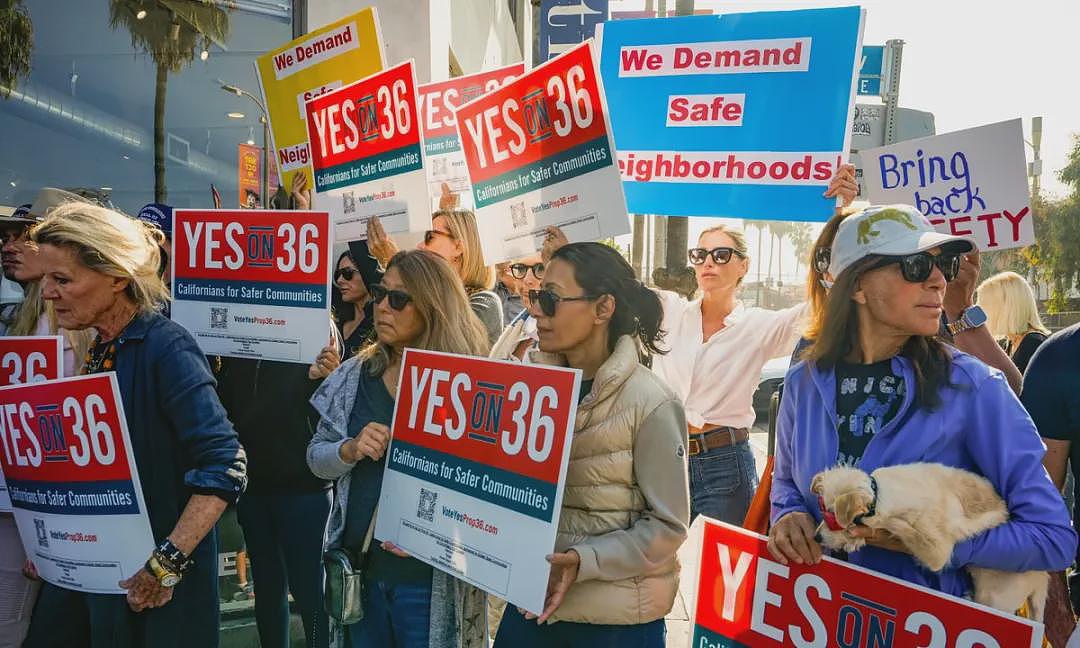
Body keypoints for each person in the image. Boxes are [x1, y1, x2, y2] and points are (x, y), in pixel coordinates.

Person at [769, 204, 1075, 600]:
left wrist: (937, 542)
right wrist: (788, 514)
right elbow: (788, 484)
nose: (937, 281)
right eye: (915, 266)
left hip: (925, 626)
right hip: (817, 616)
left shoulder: (976, 388)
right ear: (857, 286)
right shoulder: (804, 380)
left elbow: (1052, 538)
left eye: (942, 265)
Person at [24, 202, 247, 648]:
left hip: (156, 592)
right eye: (45, 279)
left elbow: (224, 464)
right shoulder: (99, 346)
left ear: (118, 277)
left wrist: (164, 566)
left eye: (62, 279)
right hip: (104, 578)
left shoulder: (167, 346)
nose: (47, 292)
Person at [493, 242, 689, 648]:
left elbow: (669, 527)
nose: (536, 311)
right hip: (532, 607)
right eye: (534, 296)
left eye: (550, 298)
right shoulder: (527, 392)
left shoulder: (652, 402)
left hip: (614, 626)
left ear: (603, 309)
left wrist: (586, 561)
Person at [307, 249, 489, 648]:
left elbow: (487, 492)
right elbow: (316, 458)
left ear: (433, 307)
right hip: (362, 573)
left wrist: (435, 532)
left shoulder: (471, 384)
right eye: (380, 293)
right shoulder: (357, 374)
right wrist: (349, 450)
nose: (381, 307)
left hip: (428, 583)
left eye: (399, 299)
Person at [366, 209, 504, 344]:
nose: (420, 246)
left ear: (458, 247)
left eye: (430, 237)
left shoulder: (485, 303)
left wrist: (399, 267)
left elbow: (445, 345)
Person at [977, 271, 1050, 373]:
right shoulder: (1011, 342)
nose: (980, 309)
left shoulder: (1033, 343)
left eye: (985, 304)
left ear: (1005, 308)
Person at [333, 250, 377, 358]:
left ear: (367, 274)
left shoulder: (380, 323)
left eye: (347, 273)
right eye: (338, 274)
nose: (339, 280)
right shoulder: (334, 318)